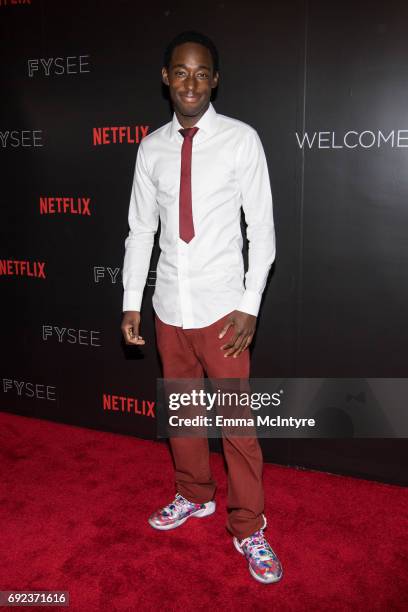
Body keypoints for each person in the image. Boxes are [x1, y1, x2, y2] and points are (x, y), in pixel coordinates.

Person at [120, 30, 283, 584]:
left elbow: (261, 231)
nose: (191, 82)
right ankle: (194, 495)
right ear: (166, 77)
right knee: (185, 416)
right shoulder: (150, 148)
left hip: (223, 312)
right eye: (180, 72)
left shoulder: (241, 141)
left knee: (237, 426)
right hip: (169, 307)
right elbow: (141, 230)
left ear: (215, 79)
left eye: (201, 73)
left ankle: (250, 525)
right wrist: (131, 302)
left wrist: (250, 305)